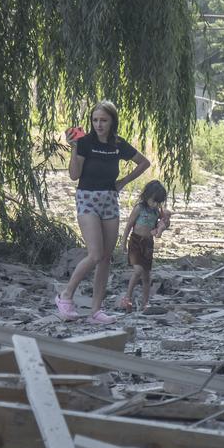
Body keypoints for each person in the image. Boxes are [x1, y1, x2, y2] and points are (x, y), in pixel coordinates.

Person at [56, 101, 151, 324]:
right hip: (87, 198)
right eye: (95, 120)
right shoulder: (84, 141)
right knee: (95, 254)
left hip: (109, 199)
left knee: (106, 259)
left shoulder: (118, 144)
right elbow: (73, 175)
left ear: (112, 122)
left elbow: (144, 162)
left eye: (103, 120)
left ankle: (96, 311)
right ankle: (66, 295)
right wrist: (73, 148)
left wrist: (123, 182)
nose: (99, 124)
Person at [119, 180, 171, 311]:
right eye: (154, 201)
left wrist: (165, 222)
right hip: (136, 242)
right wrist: (123, 242)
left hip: (148, 243)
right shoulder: (139, 208)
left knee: (147, 275)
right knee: (137, 270)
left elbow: (165, 223)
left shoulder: (156, 211)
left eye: (158, 202)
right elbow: (129, 225)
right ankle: (127, 298)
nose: (155, 204)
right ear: (147, 196)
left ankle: (145, 302)